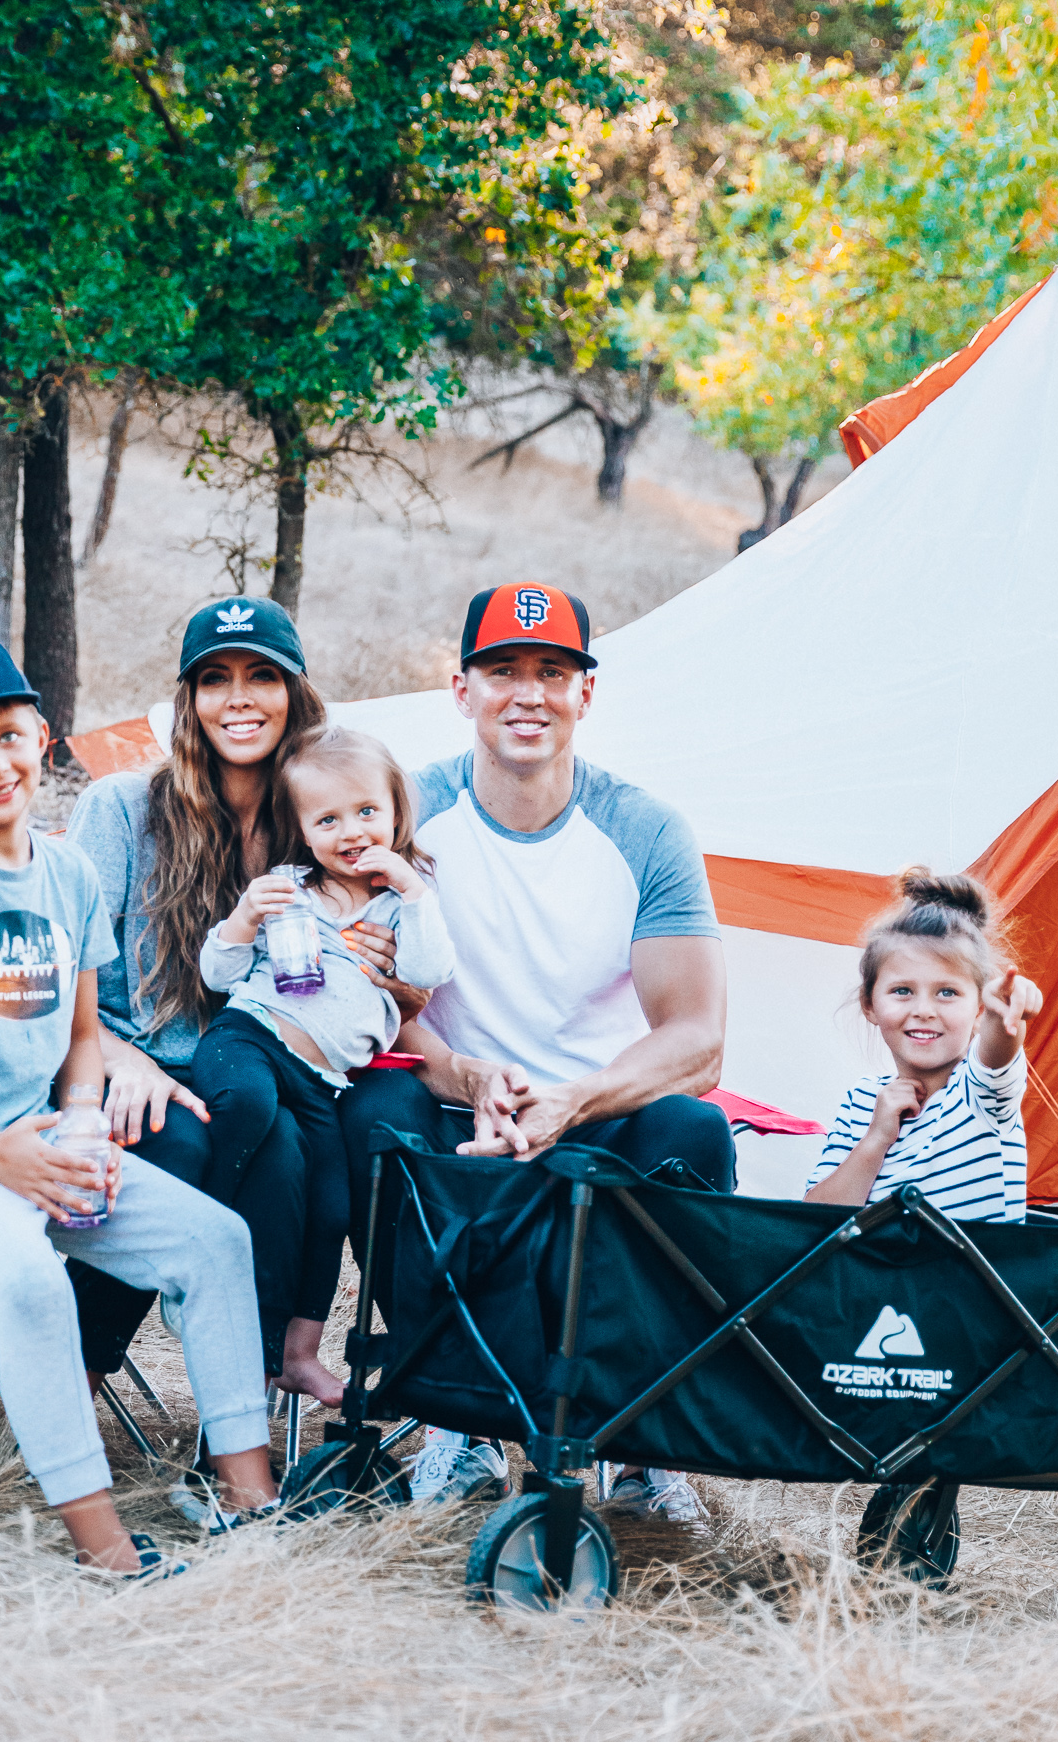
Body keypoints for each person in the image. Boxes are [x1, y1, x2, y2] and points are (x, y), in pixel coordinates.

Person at [0, 642, 277, 1575]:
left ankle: (251, 1500)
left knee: (214, 1240)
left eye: (6, 737)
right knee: (33, 1284)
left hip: (40, 1140)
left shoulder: (70, 874)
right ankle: (103, 1543)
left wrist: (81, 1125)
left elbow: (83, 1038)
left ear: (42, 736)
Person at [339, 583, 733, 1519]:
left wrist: (574, 1100)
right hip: (453, 1104)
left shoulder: (643, 829)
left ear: (584, 695)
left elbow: (697, 1039)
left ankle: (641, 1436)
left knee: (694, 1132)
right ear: (460, 688)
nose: (527, 694)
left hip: (596, 1110)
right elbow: (368, 1001)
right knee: (371, 1116)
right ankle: (456, 1420)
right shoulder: (403, 813)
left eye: (551, 672)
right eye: (502, 671)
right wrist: (460, 1071)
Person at [63, 598, 335, 1401]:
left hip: (247, 1074)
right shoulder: (120, 810)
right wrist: (124, 1061)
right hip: (112, 1060)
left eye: (261, 676)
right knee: (174, 1139)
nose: (239, 698)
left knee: (288, 1149)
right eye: (214, 679)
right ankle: (72, 1379)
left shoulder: (313, 825)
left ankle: (233, 1427)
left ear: (295, 694)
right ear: (189, 702)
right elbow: (59, 981)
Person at [192, 726, 456, 1403]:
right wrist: (243, 921)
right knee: (246, 1107)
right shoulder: (288, 888)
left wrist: (412, 889)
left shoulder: (404, 903)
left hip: (321, 1082)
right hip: (249, 1038)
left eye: (367, 812)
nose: (351, 831)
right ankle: (199, 1222)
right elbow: (218, 974)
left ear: (396, 813)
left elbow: (431, 971)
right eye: (327, 819)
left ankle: (298, 1352)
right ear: (302, 831)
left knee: (332, 1205)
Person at [804, 869, 1041, 1219]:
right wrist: (876, 1139)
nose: (924, 1011)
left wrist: (1004, 1011)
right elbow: (811, 1222)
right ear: (869, 1005)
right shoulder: (862, 1102)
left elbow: (997, 1048)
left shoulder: (980, 1092)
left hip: (960, 1275)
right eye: (903, 991)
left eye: (947, 992)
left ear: (977, 1008)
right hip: (871, 1273)